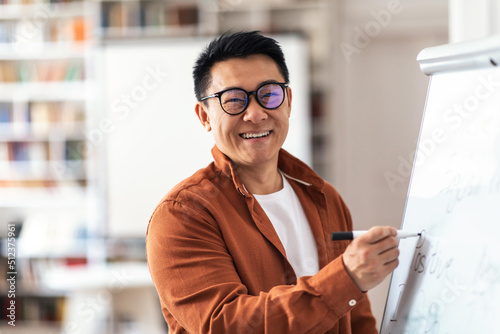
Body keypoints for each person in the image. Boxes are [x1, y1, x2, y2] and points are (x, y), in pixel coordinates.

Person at [146, 31, 400, 333]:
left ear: (288, 102)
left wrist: (350, 282)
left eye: (269, 94)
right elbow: (227, 325)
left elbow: (356, 322)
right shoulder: (182, 216)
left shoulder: (324, 198)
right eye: (233, 100)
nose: (255, 114)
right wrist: (345, 279)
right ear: (204, 116)